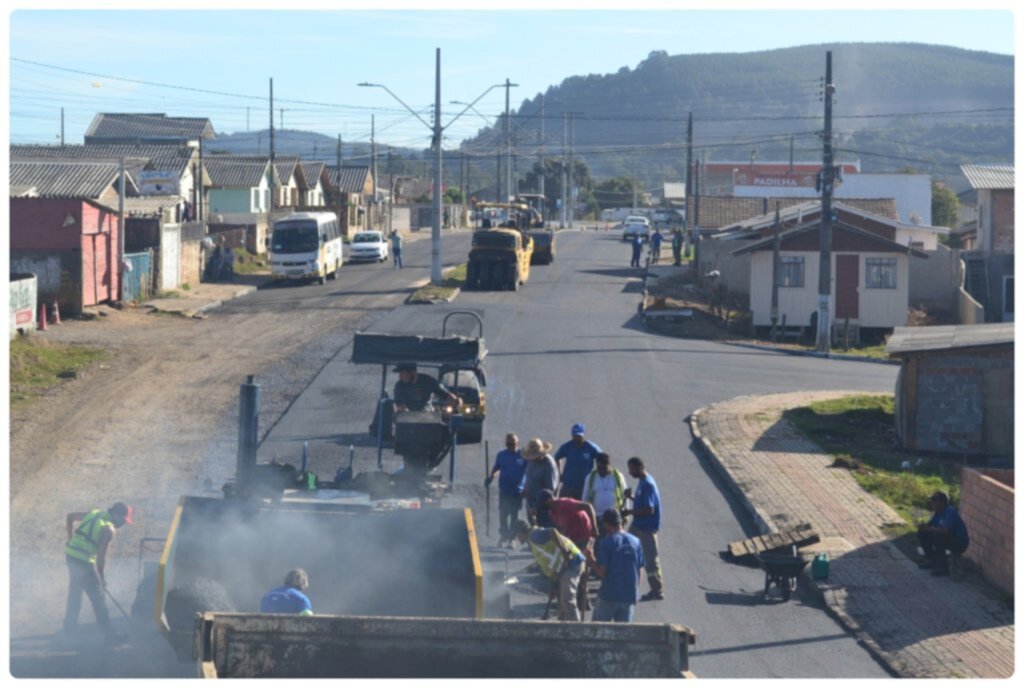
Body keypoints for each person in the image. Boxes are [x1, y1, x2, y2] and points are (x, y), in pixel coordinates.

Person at [63, 502, 133, 642]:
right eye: (124, 521)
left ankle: (69, 628)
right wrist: (101, 579)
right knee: (98, 599)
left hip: (70, 555)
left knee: (75, 591)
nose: (123, 524)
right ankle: (111, 637)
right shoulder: (108, 530)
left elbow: (70, 517)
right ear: (116, 515)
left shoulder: (95, 513)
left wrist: (71, 539)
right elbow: (101, 558)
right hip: (83, 561)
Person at [538, 489, 599, 613]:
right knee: (570, 569)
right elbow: (561, 528)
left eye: (544, 503)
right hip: (572, 540)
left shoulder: (565, 503)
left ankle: (584, 601)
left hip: (584, 535)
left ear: (549, 500)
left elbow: (588, 506)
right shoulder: (552, 513)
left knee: (583, 569)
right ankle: (571, 600)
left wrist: (594, 526)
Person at [513, 520, 585, 622]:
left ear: (521, 532)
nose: (517, 538)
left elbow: (553, 531)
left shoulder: (535, 535)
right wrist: (553, 587)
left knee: (567, 601)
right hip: (563, 568)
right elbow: (550, 565)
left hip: (571, 563)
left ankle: (576, 631)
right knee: (561, 603)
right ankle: (564, 627)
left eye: (517, 535)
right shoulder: (532, 541)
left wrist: (563, 550)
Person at [585, 508, 645, 623]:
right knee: (622, 636)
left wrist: (590, 557)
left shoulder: (606, 543)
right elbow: (639, 570)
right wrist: (635, 592)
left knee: (599, 632)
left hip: (609, 595)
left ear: (607, 524)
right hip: (628, 596)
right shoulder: (636, 541)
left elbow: (601, 572)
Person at [623, 457, 664, 601]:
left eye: (631, 469)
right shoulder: (642, 482)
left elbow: (649, 509)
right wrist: (631, 497)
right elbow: (642, 502)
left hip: (646, 528)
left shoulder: (648, 484)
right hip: (637, 525)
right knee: (624, 547)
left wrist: (629, 512)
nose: (629, 472)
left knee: (650, 560)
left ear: (638, 467)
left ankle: (657, 590)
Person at [486, 433, 527, 546]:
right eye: (508, 444)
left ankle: (512, 539)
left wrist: (526, 488)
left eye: (512, 444)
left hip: (517, 491)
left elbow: (529, 472)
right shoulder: (501, 455)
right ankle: (504, 535)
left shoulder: (523, 456)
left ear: (517, 443)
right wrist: (491, 477)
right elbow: (496, 468)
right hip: (504, 489)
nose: (510, 446)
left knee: (515, 515)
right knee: (503, 514)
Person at [917, 491, 970, 577]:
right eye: (931, 499)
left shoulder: (949, 511)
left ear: (942, 502)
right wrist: (923, 526)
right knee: (922, 533)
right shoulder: (937, 513)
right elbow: (930, 525)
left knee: (939, 536)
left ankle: (943, 567)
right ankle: (932, 561)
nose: (932, 502)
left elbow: (945, 530)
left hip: (959, 542)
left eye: (935, 500)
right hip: (948, 538)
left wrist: (930, 528)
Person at [582, 453, 629, 537]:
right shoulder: (591, 477)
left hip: (614, 519)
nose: (601, 471)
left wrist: (625, 517)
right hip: (596, 518)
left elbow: (624, 496)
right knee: (599, 545)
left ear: (610, 466)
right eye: (599, 468)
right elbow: (584, 498)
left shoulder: (618, 477)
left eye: (604, 468)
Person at [554, 423, 602, 501]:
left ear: (583, 435)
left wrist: (597, 473)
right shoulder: (567, 446)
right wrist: (559, 473)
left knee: (583, 510)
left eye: (579, 436)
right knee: (564, 508)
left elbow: (602, 457)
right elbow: (557, 457)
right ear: (572, 435)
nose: (577, 438)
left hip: (584, 486)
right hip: (568, 485)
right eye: (575, 436)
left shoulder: (590, 447)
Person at [392, 363, 460, 413]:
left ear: (413, 373)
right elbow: (401, 407)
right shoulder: (399, 386)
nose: (400, 377)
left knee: (445, 430)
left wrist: (456, 401)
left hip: (428, 416)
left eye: (402, 373)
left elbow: (446, 395)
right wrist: (410, 417)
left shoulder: (429, 381)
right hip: (407, 419)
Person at [521, 437, 558, 527]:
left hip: (542, 507)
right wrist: (525, 490)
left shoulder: (549, 464)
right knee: (533, 528)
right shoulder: (532, 461)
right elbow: (529, 477)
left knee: (542, 530)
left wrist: (537, 507)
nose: (533, 458)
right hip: (530, 502)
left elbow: (550, 490)